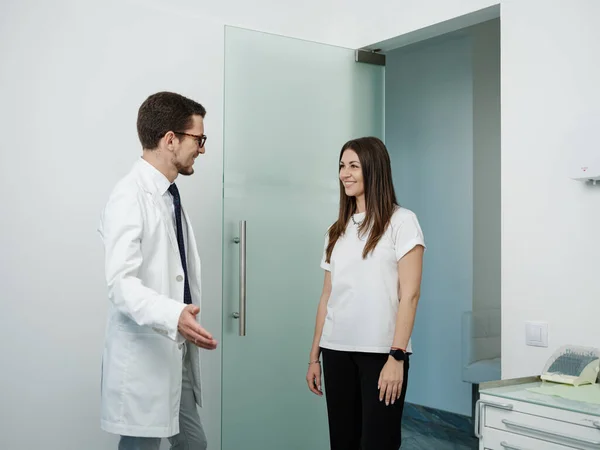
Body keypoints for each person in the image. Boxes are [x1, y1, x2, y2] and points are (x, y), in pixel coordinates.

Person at [98, 91, 218, 450]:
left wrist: (179, 319)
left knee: (194, 444)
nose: (202, 148)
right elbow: (121, 284)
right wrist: (174, 313)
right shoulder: (129, 196)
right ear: (170, 140)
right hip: (145, 356)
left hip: (171, 352)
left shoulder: (168, 196)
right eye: (198, 139)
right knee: (140, 447)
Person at [305, 136, 425, 450]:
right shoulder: (336, 230)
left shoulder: (402, 222)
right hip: (336, 351)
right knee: (342, 443)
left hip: (382, 355)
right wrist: (313, 358)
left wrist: (397, 356)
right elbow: (326, 296)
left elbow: (410, 295)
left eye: (354, 166)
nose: (345, 173)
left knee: (379, 443)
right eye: (342, 166)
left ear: (374, 169)